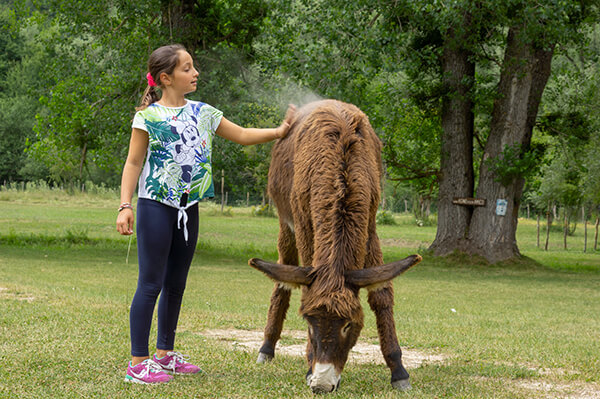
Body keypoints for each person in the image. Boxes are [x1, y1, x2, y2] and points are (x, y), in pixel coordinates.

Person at [116, 44, 295, 384]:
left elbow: (241, 135)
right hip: (155, 206)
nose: (195, 72)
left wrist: (278, 132)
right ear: (166, 78)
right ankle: (138, 363)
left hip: (189, 207)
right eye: (187, 68)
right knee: (150, 283)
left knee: (176, 284)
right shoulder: (147, 117)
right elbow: (133, 163)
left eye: (193, 66)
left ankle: (165, 355)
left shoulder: (204, 112)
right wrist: (126, 206)